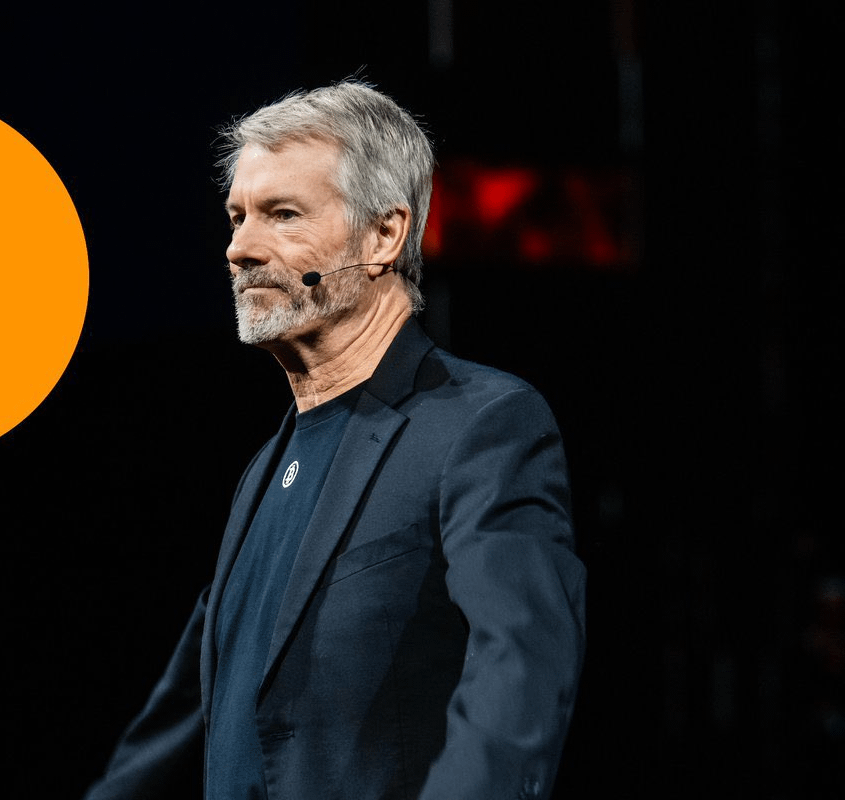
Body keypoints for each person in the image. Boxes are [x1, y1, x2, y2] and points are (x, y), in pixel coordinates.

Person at [83, 79, 586, 800]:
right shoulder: (264, 469)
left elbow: (519, 677)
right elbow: (180, 723)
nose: (239, 249)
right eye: (236, 218)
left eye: (282, 215)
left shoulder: (480, 425)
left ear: (383, 236)